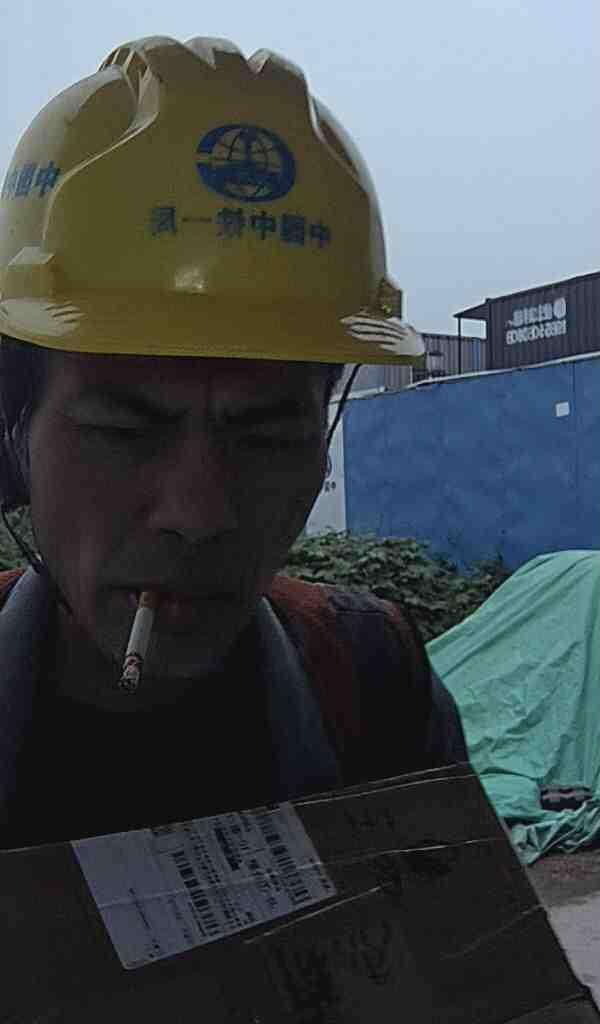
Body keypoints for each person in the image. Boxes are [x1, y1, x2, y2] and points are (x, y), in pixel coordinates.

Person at [0, 35, 468, 848]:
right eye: (124, 428)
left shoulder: (373, 679)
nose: (199, 514)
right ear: (14, 433)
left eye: (267, 433)